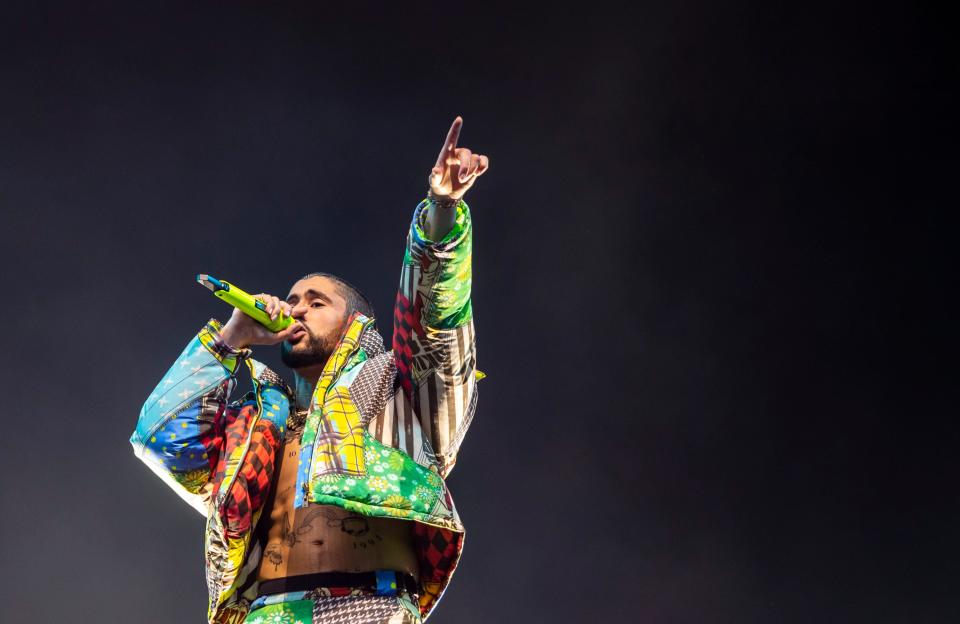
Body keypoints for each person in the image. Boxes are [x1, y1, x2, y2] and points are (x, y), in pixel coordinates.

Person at [130, 116, 488, 624]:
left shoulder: (400, 389)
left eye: (316, 302)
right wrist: (231, 339)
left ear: (357, 324)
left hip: (368, 608)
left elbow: (435, 323)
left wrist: (443, 213)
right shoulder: (257, 423)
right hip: (264, 614)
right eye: (293, 300)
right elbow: (160, 441)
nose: (295, 309)